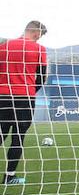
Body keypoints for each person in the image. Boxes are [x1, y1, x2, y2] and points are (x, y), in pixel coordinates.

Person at [0, 21, 49, 186]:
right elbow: (42, 77)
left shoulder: (4, 46)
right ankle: (9, 177)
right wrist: (30, 91)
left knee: (1, 134)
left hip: (3, 97)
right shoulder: (39, 49)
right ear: (36, 33)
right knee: (18, 138)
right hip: (25, 98)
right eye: (40, 36)